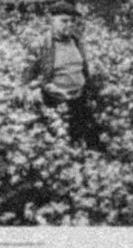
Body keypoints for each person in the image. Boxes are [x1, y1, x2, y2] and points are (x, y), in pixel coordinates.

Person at [25, 10, 100, 148]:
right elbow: (28, 78)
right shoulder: (42, 44)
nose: (70, 24)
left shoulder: (76, 41)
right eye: (64, 21)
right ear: (52, 21)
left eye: (72, 21)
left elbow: (82, 66)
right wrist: (46, 87)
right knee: (62, 146)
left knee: (89, 143)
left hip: (80, 99)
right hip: (56, 102)